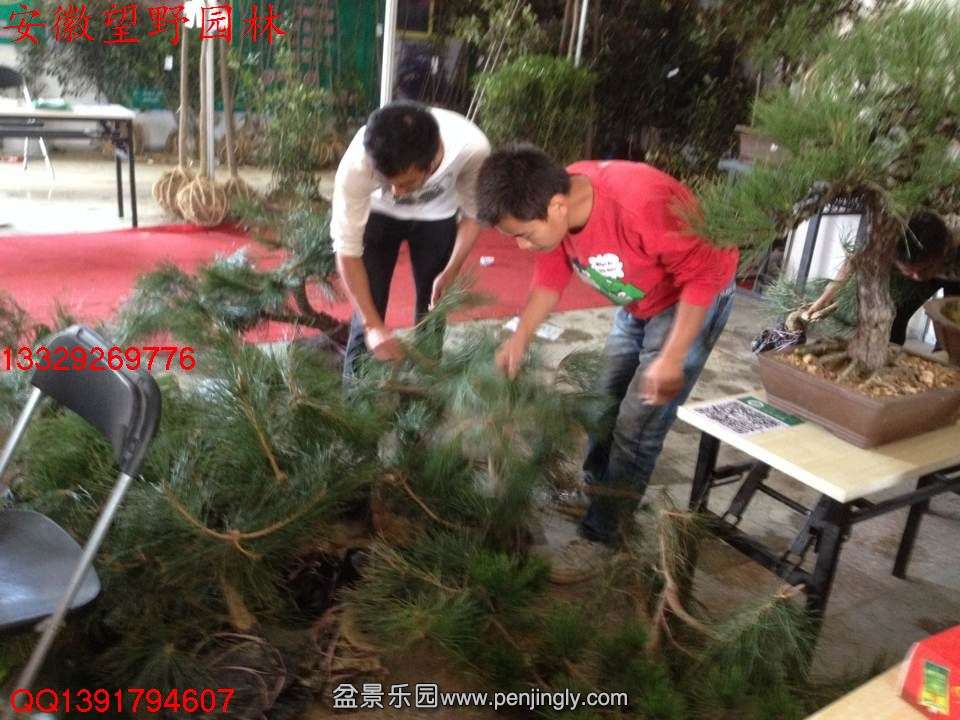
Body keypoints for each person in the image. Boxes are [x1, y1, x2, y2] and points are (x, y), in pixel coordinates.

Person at [476, 145, 739, 576]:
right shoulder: (553, 198)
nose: (522, 246)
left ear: (557, 207)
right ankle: (598, 493)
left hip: (691, 300)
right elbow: (550, 275)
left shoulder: (643, 205)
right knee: (603, 404)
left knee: (638, 423)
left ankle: (604, 537)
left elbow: (704, 276)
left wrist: (672, 356)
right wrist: (519, 339)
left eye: (524, 234)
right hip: (639, 300)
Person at [332, 101, 491, 380]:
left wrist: (451, 269)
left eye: (405, 183)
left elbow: (473, 214)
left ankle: (425, 389)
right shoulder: (357, 164)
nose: (396, 192)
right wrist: (372, 326)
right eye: (387, 181)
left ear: (431, 162)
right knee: (368, 307)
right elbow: (346, 250)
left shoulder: (471, 148)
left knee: (433, 310)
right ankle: (355, 395)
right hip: (378, 215)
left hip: (437, 217)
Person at [803, 211, 960, 343]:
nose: (917, 276)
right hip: (931, 266)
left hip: (955, 272)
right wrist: (829, 293)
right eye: (910, 271)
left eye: (924, 269)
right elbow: (855, 259)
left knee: (952, 323)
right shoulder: (886, 239)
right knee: (895, 315)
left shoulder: (953, 240)